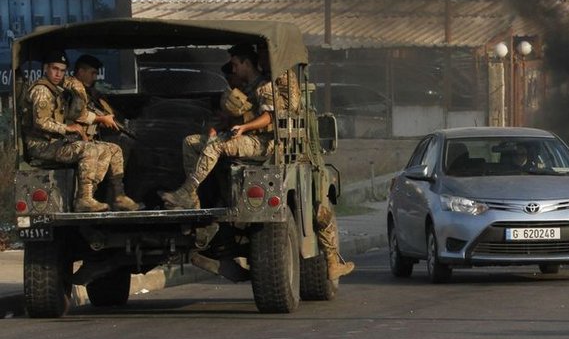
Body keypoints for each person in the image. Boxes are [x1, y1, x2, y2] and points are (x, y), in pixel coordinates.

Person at [256, 43, 354, 281]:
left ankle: (332, 262)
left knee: (320, 206)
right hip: (287, 152)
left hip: (284, 149)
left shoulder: (265, 83)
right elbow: (292, 113)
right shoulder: (281, 82)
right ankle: (331, 261)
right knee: (322, 211)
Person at [23, 50, 138, 212]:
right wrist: (68, 128)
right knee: (89, 149)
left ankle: (118, 196)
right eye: (55, 69)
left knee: (113, 149)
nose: (58, 74)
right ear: (45, 68)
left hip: (57, 143)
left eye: (62, 70)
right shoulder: (42, 90)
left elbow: (74, 111)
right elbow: (41, 122)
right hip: (42, 146)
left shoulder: (59, 89)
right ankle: (84, 199)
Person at [162, 45, 272, 210]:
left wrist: (244, 127)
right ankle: (192, 199)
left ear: (247, 63)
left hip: (260, 142)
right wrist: (218, 126)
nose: (233, 70)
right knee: (190, 142)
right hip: (243, 137)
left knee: (216, 144)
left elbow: (269, 117)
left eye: (236, 65)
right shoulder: (244, 88)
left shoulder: (264, 86)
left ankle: (186, 191)